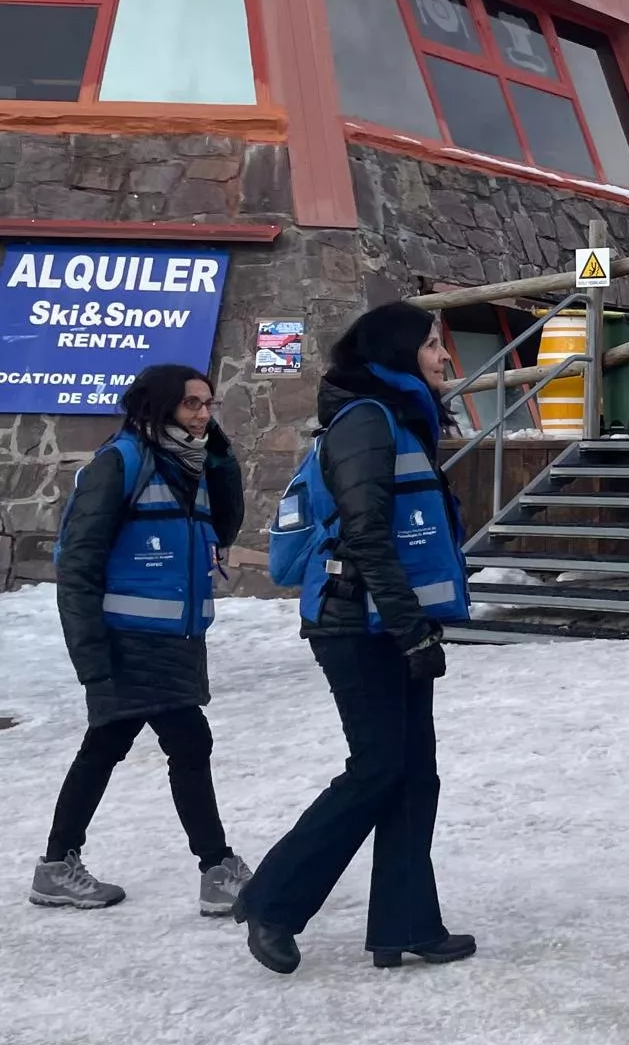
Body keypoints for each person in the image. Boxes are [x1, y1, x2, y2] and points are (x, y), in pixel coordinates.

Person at [234, 302, 474, 976]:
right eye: (432, 343)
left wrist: (412, 625)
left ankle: (406, 923)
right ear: (397, 351)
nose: (444, 356)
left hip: (387, 620)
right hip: (354, 624)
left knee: (414, 773)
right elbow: (365, 535)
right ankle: (272, 902)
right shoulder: (367, 421)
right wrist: (410, 631)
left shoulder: (397, 417)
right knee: (377, 768)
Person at [34, 364, 251, 915]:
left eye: (208, 404)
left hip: (176, 636)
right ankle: (217, 868)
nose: (203, 415)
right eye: (191, 404)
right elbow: (77, 562)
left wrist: (221, 460)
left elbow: (224, 528)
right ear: (157, 406)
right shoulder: (121, 463)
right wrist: (90, 656)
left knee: (107, 744)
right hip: (129, 639)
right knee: (188, 742)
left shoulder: (192, 466)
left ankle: (56, 865)